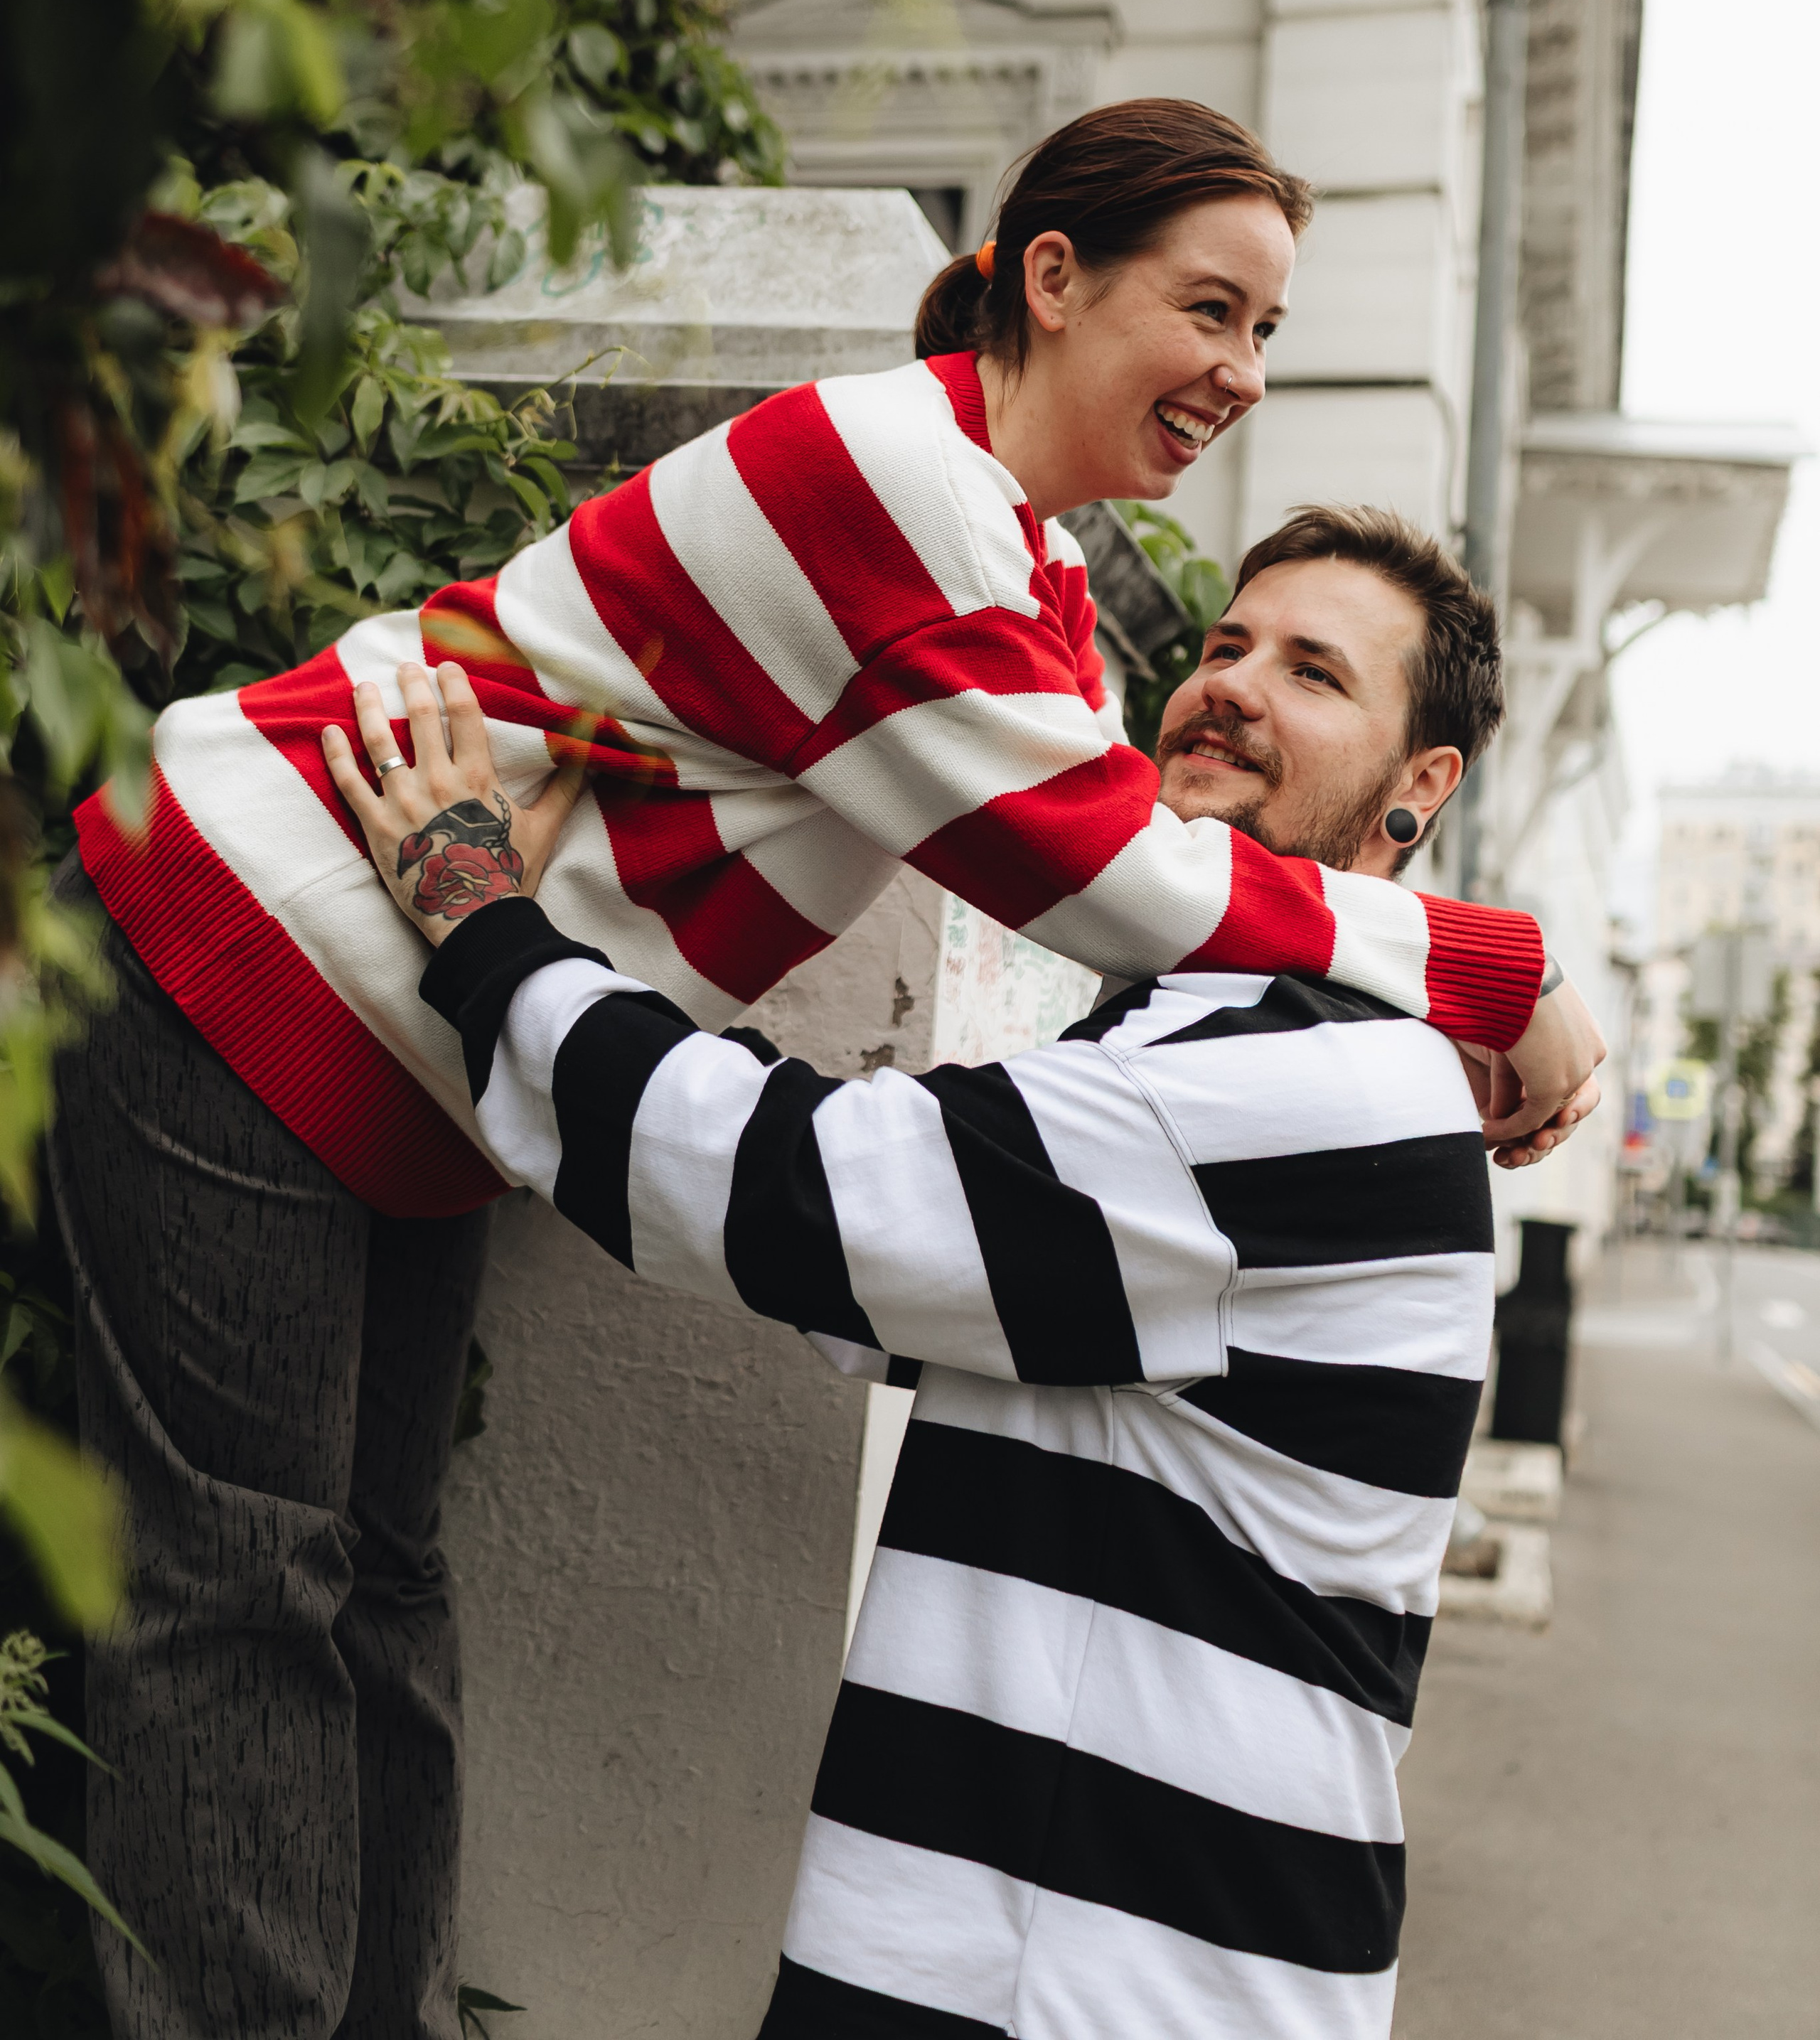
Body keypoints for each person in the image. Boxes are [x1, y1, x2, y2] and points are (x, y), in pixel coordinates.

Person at [55, 100, 1598, 2037]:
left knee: (358, 1591)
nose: (1242, 372)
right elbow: (1113, 873)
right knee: (240, 1608)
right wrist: (1494, 964)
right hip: (261, 929)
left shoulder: (1031, 583)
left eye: (1269, 332)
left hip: (433, 1040)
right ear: (1053, 277)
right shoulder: (885, 477)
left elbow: (941, 1125)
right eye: (1212, 308)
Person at [328, 500, 1584, 2040]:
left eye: (1315, 673)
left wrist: (482, 924)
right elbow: (893, 1281)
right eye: (1221, 643)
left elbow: (803, 1197)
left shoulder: (1304, 1085)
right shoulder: (1217, 1042)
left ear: (1418, 790)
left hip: (1088, 1978)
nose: (1233, 685)